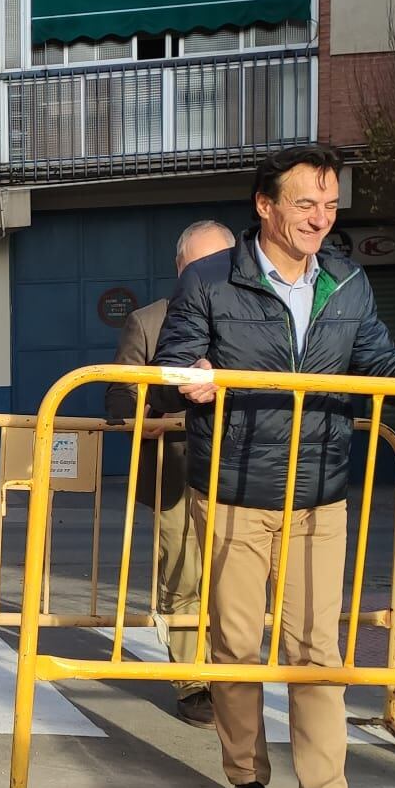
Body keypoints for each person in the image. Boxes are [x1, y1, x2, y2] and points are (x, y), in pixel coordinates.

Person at [157, 144, 395, 788]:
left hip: (319, 494)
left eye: (331, 204)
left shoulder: (347, 280)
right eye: (306, 203)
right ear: (265, 205)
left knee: (319, 656)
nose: (321, 218)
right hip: (233, 493)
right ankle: (247, 784)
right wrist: (187, 379)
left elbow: (376, 362)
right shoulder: (209, 280)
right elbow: (175, 364)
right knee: (235, 650)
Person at [105, 219, 235, 727]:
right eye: (197, 265)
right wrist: (152, 416)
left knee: (237, 584)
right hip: (176, 475)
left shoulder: (252, 322)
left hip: (242, 475)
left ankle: (232, 675)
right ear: (180, 269)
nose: (207, 274)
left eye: (218, 263)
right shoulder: (148, 321)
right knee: (184, 579)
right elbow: (118, 396)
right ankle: (194, 682)